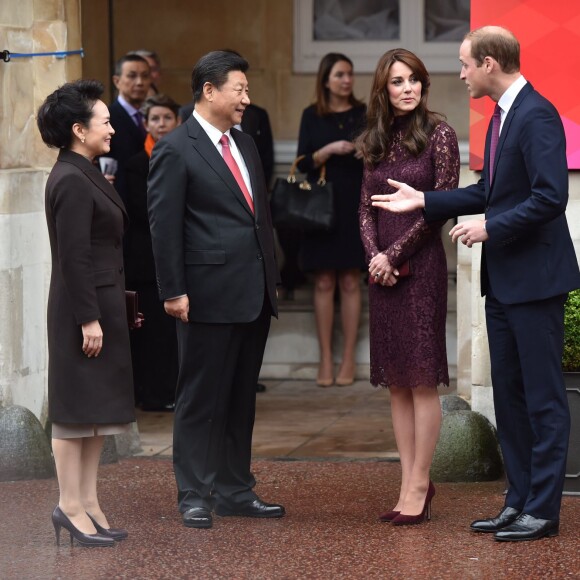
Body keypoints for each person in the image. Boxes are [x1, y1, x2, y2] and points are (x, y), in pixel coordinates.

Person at [371, 26, 580, 541]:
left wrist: (491, 226)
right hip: (505, 283)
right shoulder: (501, 116)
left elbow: (551, 197)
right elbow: (488, 189)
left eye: (465, 65)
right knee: (508, 398)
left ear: (489, 63)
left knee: (543, 400)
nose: (460, 74)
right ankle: (518, 503)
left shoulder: (538, 114)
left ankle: (543, 511)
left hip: (535, 282)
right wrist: (424, 200)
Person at [147, 50, 285, 529]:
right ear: (210, 90)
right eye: (239, 89)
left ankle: (234, 489)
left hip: (253, 293)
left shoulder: (244, 143)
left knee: (240, 397)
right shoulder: (175, 147)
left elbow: (256, 216)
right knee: (200, 397)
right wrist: (173, 291)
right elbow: (164, 228)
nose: (247, 98)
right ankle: (194, 493)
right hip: (204, 294)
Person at [357, 48, 459, 526]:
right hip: (383, 275)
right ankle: (406, 483)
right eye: (397, 81)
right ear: (384, 88)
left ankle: (420, 484)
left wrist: (392, 256)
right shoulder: (375, 140)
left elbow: (439, 208)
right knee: (396, 383)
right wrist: (374, 257)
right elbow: (364, 208)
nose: (408, 88)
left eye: (414, 80)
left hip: (421, 271)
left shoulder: (439, 134)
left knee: (420, 381)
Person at [37, 80, 135, 547]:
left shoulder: (84, 170)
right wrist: (88, 319)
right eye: (105, 121)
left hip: (101, 305)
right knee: (75, 412)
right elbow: (73, 257)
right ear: (79, 129)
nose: (113, 127)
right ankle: (69, 504)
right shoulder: (72, 178)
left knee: (97, 410)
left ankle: (89, 502)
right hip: (84, 310)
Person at [296, 52, 366, 387]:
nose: (346, 80)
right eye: (339, 75)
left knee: (351, 281)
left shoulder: (364, 112)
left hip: (355, 201)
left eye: (350, 74)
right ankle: (326, 357)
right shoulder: (312, 115)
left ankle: (349, 357)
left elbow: (379, 155)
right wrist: (326, 151)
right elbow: (302, 162)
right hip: (321, 205)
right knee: (324, 281)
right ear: (326, 79)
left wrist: (363, 149)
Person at [125, 94, 181, 411]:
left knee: (173, 334)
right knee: (152, 332)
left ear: (178, 121)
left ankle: (172, 390)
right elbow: (141, 209)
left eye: (167, 118)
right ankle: (152, 394)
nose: (161, 124)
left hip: (176, 256)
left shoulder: (185, 156)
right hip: (146, 259)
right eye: (155, 119)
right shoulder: (136, 164)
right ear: (146, 124)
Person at [108, 53, 152, 202]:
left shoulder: (154, 117)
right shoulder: (107, 118)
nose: (139, 82)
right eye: (132, 76)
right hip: (122, 202)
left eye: (145, 76)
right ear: (117, 81)